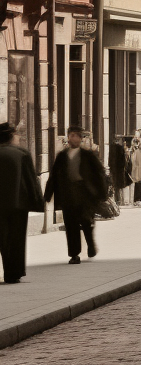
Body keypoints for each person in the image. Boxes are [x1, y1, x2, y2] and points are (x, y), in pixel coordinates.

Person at [44, 126, 105, 264]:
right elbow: (54, 176)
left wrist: (101, 194)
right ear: (68, 138)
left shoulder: (88, 155)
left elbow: (99, 174)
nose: (74, 138)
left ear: (81, 139)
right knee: (70, 225)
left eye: (77, 136)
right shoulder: (62, 156)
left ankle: (90, 244)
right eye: (72, 135)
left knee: (86, 222)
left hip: (85, 194)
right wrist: (48, 193)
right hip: (68, 195)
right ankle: (74, 254)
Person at [0, 121, 44, 283]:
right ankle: (14, 272)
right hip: (18, 205)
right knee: (17, 239)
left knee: (3, 239)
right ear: (11, 136)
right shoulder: (22, 154)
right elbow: (31, 181)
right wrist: (38, 202)